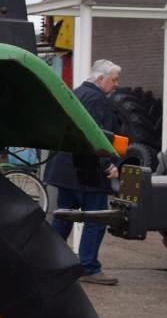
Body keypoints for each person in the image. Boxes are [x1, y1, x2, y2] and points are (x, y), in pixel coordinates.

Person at [44, 59, 122, 285]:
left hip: (64, 168)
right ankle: (89, 268)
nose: (115, 85)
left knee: (63, 218)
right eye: (114, 80)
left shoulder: (76, 93)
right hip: (86, 171)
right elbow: (97, 135)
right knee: (95, 219)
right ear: (100, 79)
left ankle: (49, 262)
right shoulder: (98, 101)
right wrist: (108, 165)